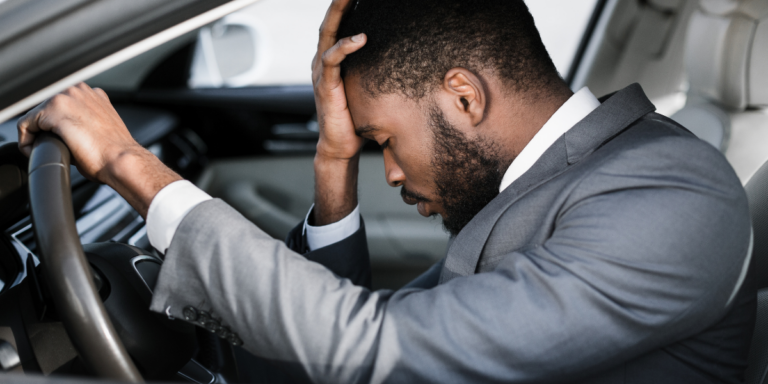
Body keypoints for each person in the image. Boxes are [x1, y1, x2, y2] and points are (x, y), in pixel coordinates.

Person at [17, 0, 756, 382]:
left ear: (463, 97)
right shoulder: (548, 186)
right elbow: (347, 348)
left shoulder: (672, 196)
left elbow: (381, 350)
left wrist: (130, 165)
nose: (391, 174)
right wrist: (334, 164)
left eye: (383, 142)